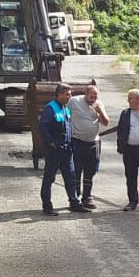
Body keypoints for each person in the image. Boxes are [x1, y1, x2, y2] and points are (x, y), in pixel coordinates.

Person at [38, 83, 90, 215]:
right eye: (67, 94)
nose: (69, 96)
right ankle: (47, 205)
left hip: (67, 150)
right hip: (55, 150)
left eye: (70, 94)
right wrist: (51, 142)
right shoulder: (50, 108)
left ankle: (74, 203)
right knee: (49, 178)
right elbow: (43, 127)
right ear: (59, 95)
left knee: (71, 177)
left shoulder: (65, 108)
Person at [69, 79, 110, 208]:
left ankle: (87, 197)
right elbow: (64, 113)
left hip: (93, 142)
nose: (93, 99)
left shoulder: (98, 104)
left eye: (95, 96)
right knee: (76, 170)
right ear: (85, 94)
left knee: (90, 170)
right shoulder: (74, 101)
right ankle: (74, 199)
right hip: (77, 141)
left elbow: (106, 122)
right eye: (91, 96)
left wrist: (99, 111)